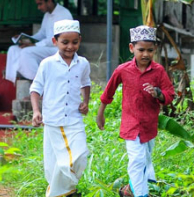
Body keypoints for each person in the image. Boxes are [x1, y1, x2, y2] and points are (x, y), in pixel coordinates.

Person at [96, 25, 175, 197]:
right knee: (137, 160)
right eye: (141, 50)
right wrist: (100, 113)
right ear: (132, 48)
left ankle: (129, 190)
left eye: (150, 50)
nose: (145, 54)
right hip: (130, 124)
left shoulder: (159, 71)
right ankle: (141, 194)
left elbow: (170, 94)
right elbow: (108, 92)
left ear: (155, 49)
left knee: (145, 159)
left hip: (149, 124)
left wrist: (158, 93)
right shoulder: (123, 70)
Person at [30, 19, 91, 197]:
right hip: (53, 120)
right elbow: (35, 89)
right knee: (55, 163)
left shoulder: (83, 63)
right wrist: (36, 111)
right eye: (65, 42)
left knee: (80, 156)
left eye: (75, 42)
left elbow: (85, 83)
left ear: (80, 40)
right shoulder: (47, 64)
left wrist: (85, 102)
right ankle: (66, 192)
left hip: (74, 118)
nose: (70, 47)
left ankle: (58, 192)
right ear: (55, 41)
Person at [5, 0, 73, 82]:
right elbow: (42, 33)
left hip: (59, 49)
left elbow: (58, 40)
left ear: (49, 1)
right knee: (13, 49)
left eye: (40, 4)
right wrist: (25, 39)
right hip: (47, 47)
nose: (39, 7)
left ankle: (38, 83)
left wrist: (35, 44)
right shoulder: (47, 15)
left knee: (26, 52)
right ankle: (17, 78)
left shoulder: (63, 14)